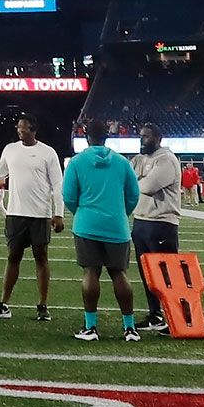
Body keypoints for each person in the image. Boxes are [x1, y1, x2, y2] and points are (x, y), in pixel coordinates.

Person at [61, 120, 143, 343]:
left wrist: (83, 212)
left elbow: (68, 195)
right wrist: (120, 212)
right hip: (117, 226)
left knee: (90, 273)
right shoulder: (121, 162)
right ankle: (129, 328)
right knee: (119, 274)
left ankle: (91, 327)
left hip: (87, 225)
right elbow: (134, 194)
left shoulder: (77, 162)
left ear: (86, 135)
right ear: (108, 136)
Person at [0, 116, 64, 322]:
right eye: (18, 127)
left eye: (23, 127)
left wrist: (58, 213)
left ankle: (43, 305)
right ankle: (4, 304)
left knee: (41, 258)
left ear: (33, 129)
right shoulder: (10, 149)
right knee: (13, 258)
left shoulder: (48, 152)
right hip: (15, 214)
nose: (19, 130)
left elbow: (57, 185)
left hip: (40, 215)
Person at [129, 123, 182, 332]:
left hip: (162, 222)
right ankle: (155, 315)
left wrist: (138, 181)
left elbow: (148, 186)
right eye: (141, 136)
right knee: (148, 274)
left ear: (158, 138)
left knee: (167, 275)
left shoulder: (167, 159)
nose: (142, 140)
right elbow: (128, 179)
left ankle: (174, 317)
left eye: (147, 137)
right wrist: (138, 181)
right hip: (141, 220)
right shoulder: (141, 159)